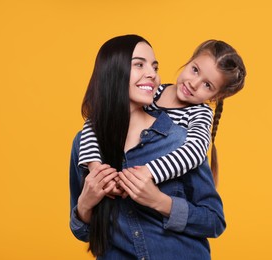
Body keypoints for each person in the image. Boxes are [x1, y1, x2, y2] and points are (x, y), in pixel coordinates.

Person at [69, 35, 226, 259]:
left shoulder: (180, 141)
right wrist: (85, 205)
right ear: (113, 71)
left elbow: (214, 221)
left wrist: (160, 201)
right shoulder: (86, 144)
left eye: (155, 66)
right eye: (139, 64)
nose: (152, 73)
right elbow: (83, 233)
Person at [78, 38, 246, 185]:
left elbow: (195, 151)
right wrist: (95, 166)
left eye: (207, 85)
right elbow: (98, 120)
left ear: (216, 96)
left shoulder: (199, 114)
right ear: (189, 61)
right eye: (195, 70)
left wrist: (149, 172)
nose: (194, 83)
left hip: (159, 186)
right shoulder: (152, 91)